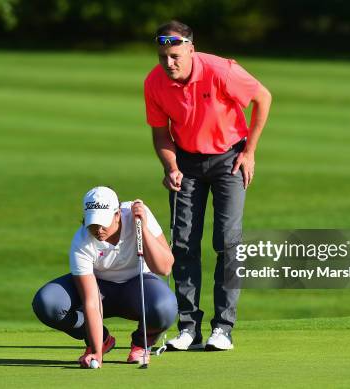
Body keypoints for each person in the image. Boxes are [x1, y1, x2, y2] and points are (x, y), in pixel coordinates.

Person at [144, 21, 272, 351]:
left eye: (174, 56)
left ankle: (223, 328)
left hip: (229, 159)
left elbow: (263, 98)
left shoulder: (220, 70)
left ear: (190, 48)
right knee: (184, 243)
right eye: (162, 57)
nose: (168, 64)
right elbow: (161, 135)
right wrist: (170, 166)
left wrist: (250, 151)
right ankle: (188, 327)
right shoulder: (155, 83)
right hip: (186, 161)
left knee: (227, 243)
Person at [32, 186, 178, 367]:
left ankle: (141, 345)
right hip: (99, 288)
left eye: (103, 222)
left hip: (138, 286)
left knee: (165, 306)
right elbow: (92, 301)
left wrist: (143, 228)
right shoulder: (82, 241)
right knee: (48, 302)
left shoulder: (137, 214)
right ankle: (102, 340)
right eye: (93, 223)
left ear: (117, 215)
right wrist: (96, 351)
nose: (98, 229)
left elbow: (164, 268)